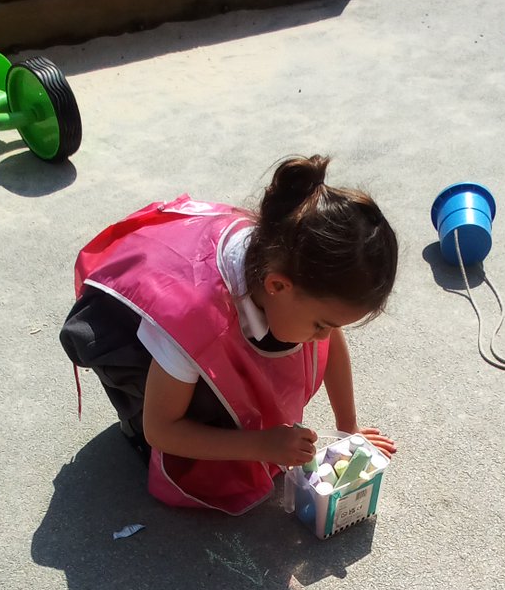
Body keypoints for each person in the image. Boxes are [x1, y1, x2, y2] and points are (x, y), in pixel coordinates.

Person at [60, 155, 398, 515]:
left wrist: (348, 428)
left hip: (213, 299)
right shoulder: (194, 321)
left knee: (251, 364)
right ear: (277, 286)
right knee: (201, 398)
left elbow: (330, 338)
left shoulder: (285, 264)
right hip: (134, 336)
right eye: (321, 325)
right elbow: (161, 429)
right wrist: (260, 445)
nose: (326, 336)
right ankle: (134, 422)